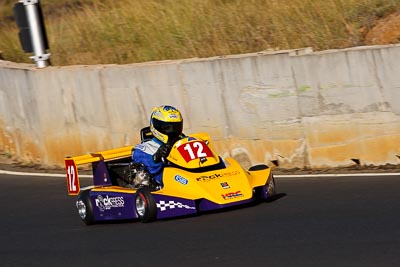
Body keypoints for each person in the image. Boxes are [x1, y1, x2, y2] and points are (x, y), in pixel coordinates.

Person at [131, 105, 184, 188]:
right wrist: (157, 156)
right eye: (168, 128)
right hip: (166, 186)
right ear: (156, 126)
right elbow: (137, 156)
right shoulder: (146, 148)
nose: (172, 131)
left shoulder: (184, 142)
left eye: (176, 127)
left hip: (192, 176)